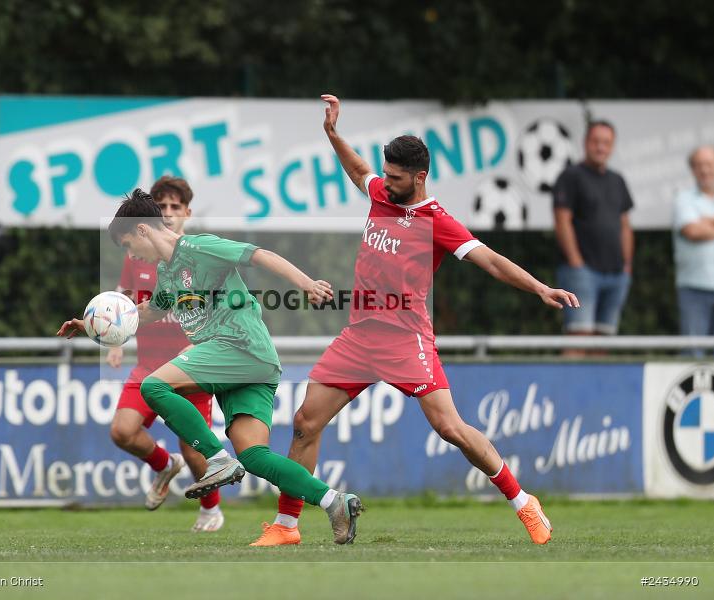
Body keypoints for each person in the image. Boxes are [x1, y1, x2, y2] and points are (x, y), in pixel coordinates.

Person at [251, 94, 579, 548]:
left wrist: (540, 287)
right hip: (359, 337)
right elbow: (357, 170)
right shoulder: (383, 193)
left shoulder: (437, 221)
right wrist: (332, 135)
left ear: (419, 178)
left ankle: (523, 501)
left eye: (396, 176)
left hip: (407, 341)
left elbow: (491, 261)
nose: (385, 181)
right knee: (306, 421)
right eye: (386, 173)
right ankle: (286, 528)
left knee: (451, 429)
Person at [58, 189, 363, 545]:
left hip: (238, 345)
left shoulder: (198, 248)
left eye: (127, 245)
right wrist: (92, 323)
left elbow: (259, 255)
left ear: (142, 230)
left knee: (153, 386)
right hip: (251, 364)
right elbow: (148, 312)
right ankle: (335, 502)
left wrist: (306, 284)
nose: (130, 254)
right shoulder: (167, 273)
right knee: (254, 456)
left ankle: (217, 459)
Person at [106, 176, 224, 532]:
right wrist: (113, 338)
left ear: (187, 212)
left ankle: (210, 509)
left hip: (190, 370)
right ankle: (163, 466)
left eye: (176, 207)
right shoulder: (137, 256)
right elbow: (122, 300)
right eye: (163, 207)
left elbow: (221, 306)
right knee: (122, 432)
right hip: (148, 366)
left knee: (195, 451)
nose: (169, 213)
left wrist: (202, 341)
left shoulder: (198, 255)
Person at [553, 120, 634, 340]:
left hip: (616, 274)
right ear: (585, 143)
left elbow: (625, 226)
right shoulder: (570, 176)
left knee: (605, 342)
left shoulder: (617, 180)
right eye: (596, 141)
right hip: (582, 273)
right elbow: (562, 221)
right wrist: (576, 261)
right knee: (579, 337)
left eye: (606, 143)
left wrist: (626, 266)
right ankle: (569, 377)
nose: (600, 147)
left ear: (612, 146)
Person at [673, 145, 714, 354]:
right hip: (693, 289)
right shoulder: (683, 199)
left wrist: (708, 222)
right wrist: (701, 225)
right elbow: (692, 231)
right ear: (693, 170)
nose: (705, 170)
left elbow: (700, 228)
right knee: (692, 354)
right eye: (699, 165)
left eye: (709, 164)